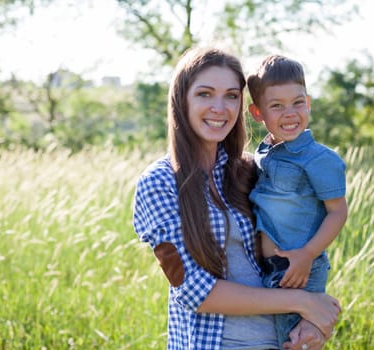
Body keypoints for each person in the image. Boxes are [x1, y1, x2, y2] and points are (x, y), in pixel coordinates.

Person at [133, 47, 341, 350]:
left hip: (282, 341)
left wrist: (309, 320)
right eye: (205, 94)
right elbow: (192, 290)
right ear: (182, 100)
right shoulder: (159, 183)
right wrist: (304, 302)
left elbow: (298, 244)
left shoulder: (251, 170)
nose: (220, 107)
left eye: (231, 96)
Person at [246, 54, 348, 348]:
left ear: (309, 102)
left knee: (294, 342)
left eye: (298, 102)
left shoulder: (319, 159)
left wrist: (307, 254)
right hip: (270, 267)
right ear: (257, 112)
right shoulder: (264, 152)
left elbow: (338, 212)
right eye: (276, 106)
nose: (290, 113)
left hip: (299, 267)